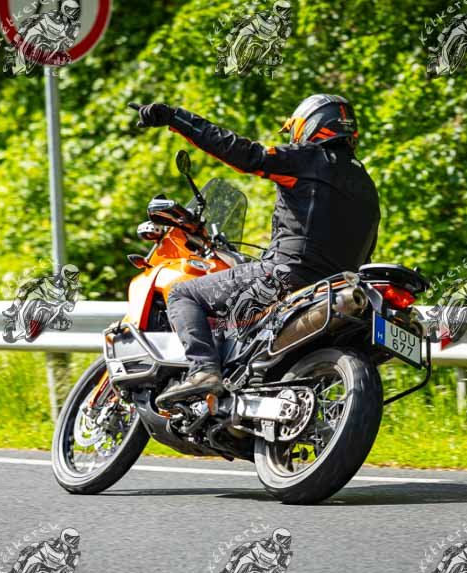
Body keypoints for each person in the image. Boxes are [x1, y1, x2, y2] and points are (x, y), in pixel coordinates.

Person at [128, 95, 381, 408]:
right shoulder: (367, 187)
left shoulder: (307, 159)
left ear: (311, 125)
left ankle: (203, 370)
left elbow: (243, 152)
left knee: (182, 294)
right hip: (333, 288)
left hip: (285, 276)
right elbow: (365, 252)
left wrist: (175, 117)